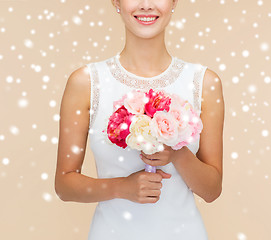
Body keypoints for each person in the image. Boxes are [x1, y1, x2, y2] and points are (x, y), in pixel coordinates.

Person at [54, 0, 224, 239]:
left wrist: (176, 152)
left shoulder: (204, 83)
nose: (146, 5)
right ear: (116, 1)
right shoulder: (87, 83)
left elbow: (212, 190)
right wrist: (121, 187)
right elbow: (64, 185)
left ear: (174, 1)